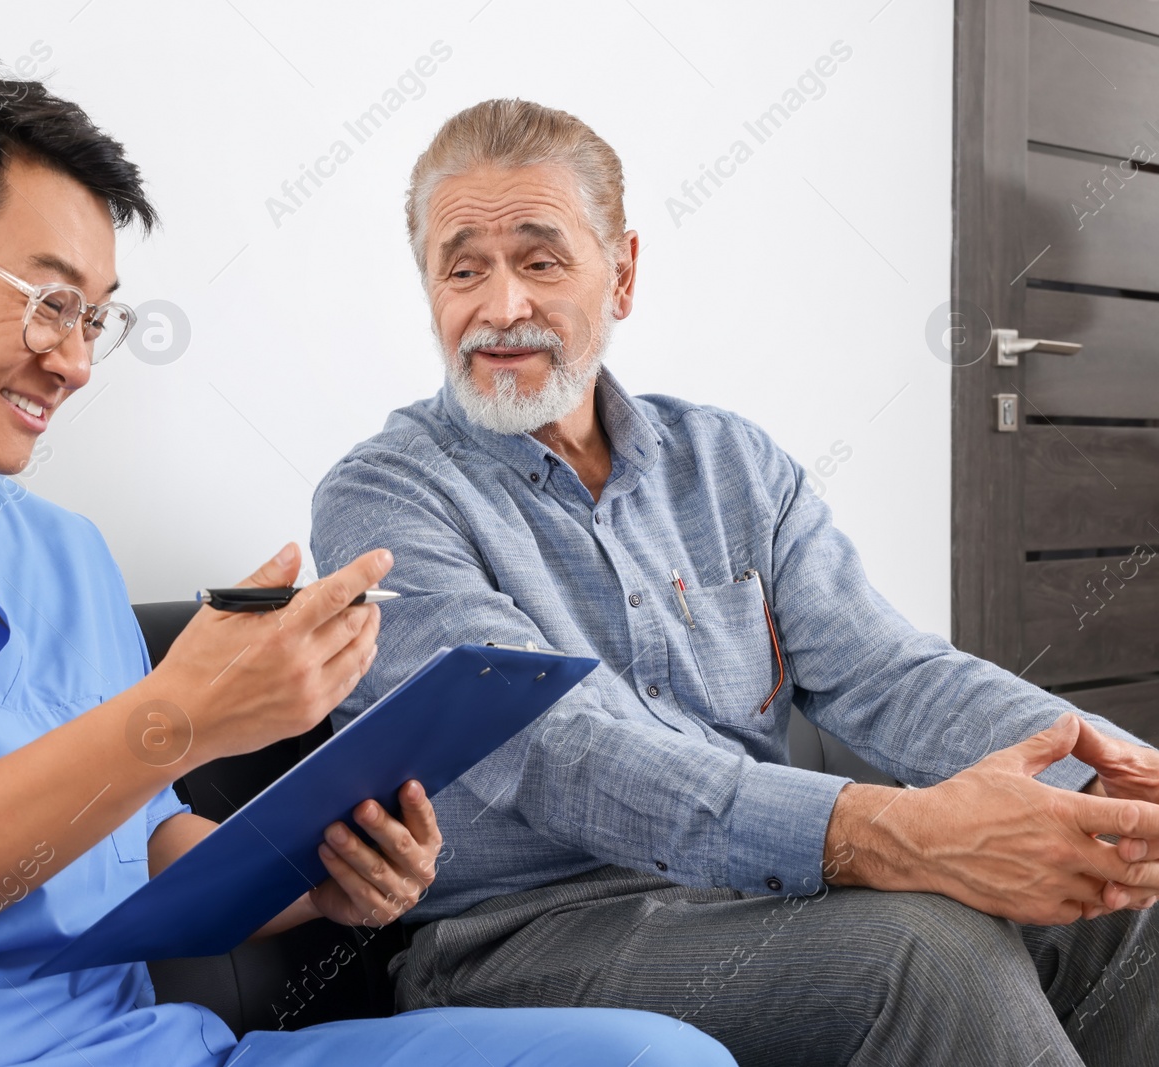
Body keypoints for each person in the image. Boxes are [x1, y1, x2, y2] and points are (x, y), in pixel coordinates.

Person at [0, 63, 735, 1067]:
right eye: (50, 303)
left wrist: (318, 868)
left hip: (146, 1047)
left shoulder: (55, 551)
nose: (75, 360)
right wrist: (176, 713)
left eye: (98, 318)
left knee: (653, 1055)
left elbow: (142, 850)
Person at [309, 97, 1159, 1065]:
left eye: (540, 260)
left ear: (621, 272)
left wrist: (1120, 782)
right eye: (463, 268)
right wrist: (896, 830)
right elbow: (554, 748)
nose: (500, 306)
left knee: (1124, 899)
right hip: (520, 932)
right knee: (932, 954)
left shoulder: (730, 463)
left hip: (755, 891)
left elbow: (887, 669)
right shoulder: (381, 496)